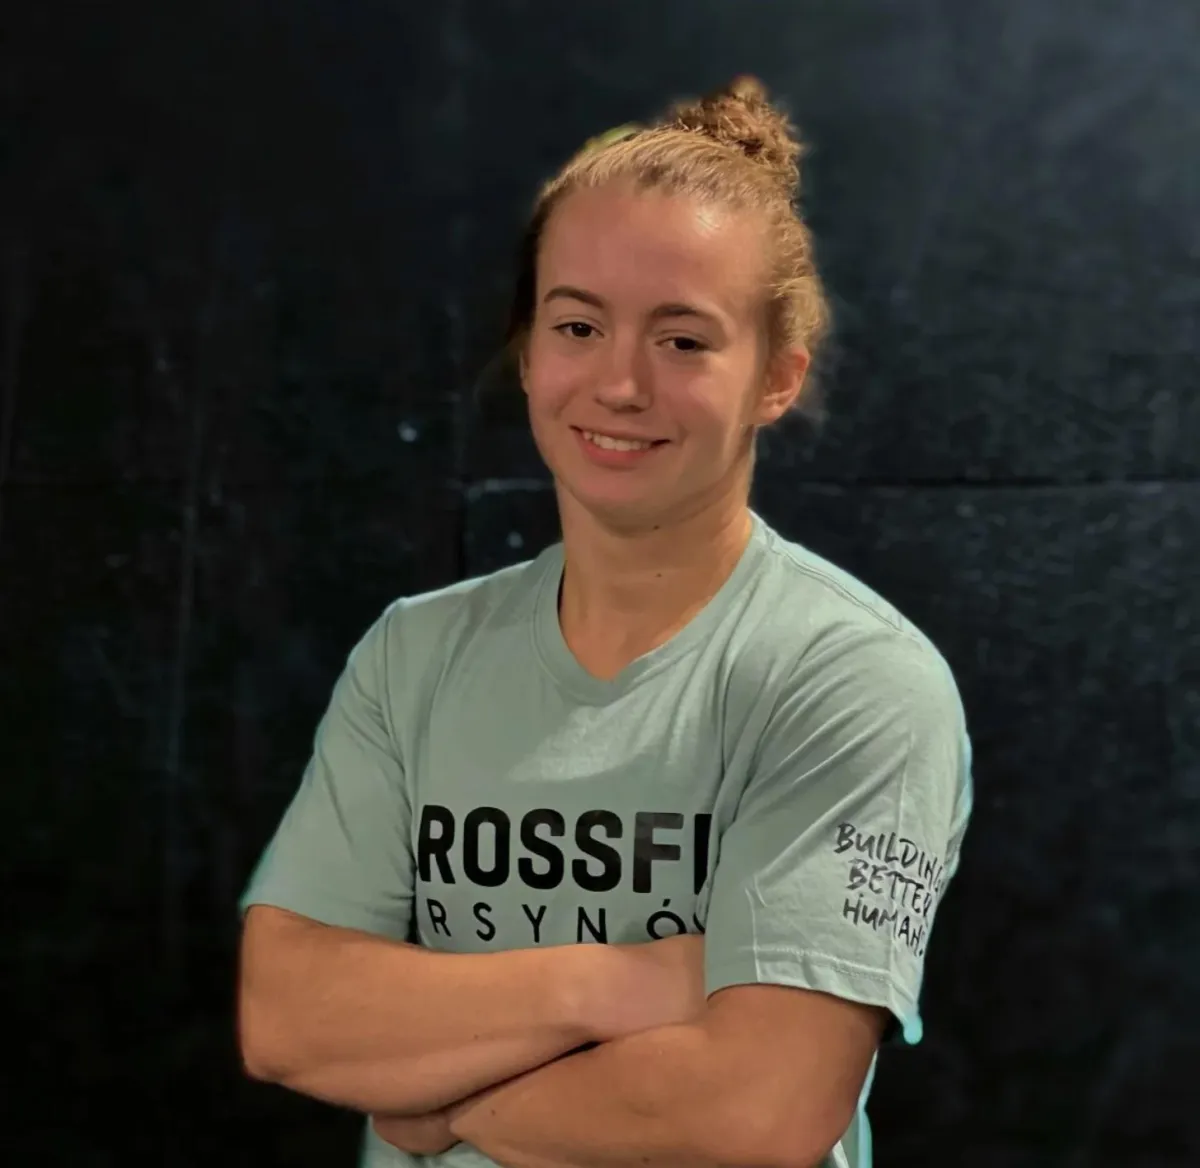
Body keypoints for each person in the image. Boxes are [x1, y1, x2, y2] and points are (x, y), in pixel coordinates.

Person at [237, 76, 974, 1168]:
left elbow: (758, 1112)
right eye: (578, 325)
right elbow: (288, 1016)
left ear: (777, 377)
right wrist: (614, 982)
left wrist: (442, 1105)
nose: (620, 384)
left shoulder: (851, 680)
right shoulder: (414, 656)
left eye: (684, 341)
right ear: (531, 351)